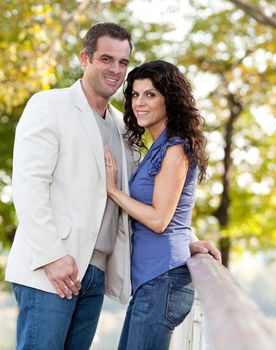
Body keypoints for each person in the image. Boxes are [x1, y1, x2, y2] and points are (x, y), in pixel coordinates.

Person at [5, 23, 220, 350]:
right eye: (107, 59)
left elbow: (146, 195)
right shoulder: (49, 105)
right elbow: (28, 185)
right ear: (85, 59)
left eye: (123, 62)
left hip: (95, 274)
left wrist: (186, 240)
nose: (116, 70)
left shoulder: (123, 127)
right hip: (52, 268)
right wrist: (52, 256)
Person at [104, 59, 218, 350]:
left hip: (162, 281)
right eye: (135, 94)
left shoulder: (175, 148)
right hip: (152, 281)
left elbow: (159, 220)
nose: (140, 102)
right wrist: (186, 244)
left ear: (170, 99)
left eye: (150, 94)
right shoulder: (158, 147)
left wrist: (113, 190)